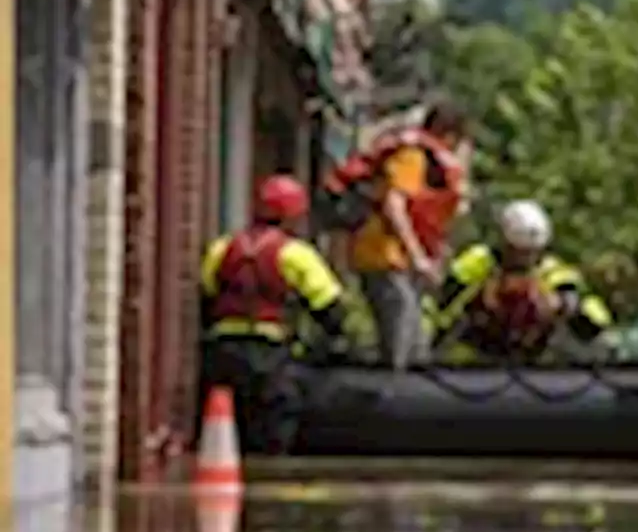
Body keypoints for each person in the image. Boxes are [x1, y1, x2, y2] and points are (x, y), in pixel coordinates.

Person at [197, 175, 347, 454]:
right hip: (267, 353)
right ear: (293, 215)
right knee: (275, 421)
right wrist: (333, 343)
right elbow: (330, 307)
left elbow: (207, 296)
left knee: (223, 427)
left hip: (221, 352)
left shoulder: (222, 248)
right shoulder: (296, 254)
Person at [348, 100, 471, 370]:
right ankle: (391, 393)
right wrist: (417, 257)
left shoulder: (433, 162)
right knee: (400, 329)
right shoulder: (413, 156)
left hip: (403, 261)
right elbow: (394, 204)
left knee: (417, 339)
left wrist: (431, 257)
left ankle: (410, 391)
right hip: (383, 256)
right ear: (449, 134)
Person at [431, 199, 613, 362]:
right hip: (473, 359)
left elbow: (595, 320)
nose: (525, 259)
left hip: (532, 362)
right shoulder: (477, 263)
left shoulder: (553, 272)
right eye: (518, 251)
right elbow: (440, 309)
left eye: (532, 252)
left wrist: (564, 305)